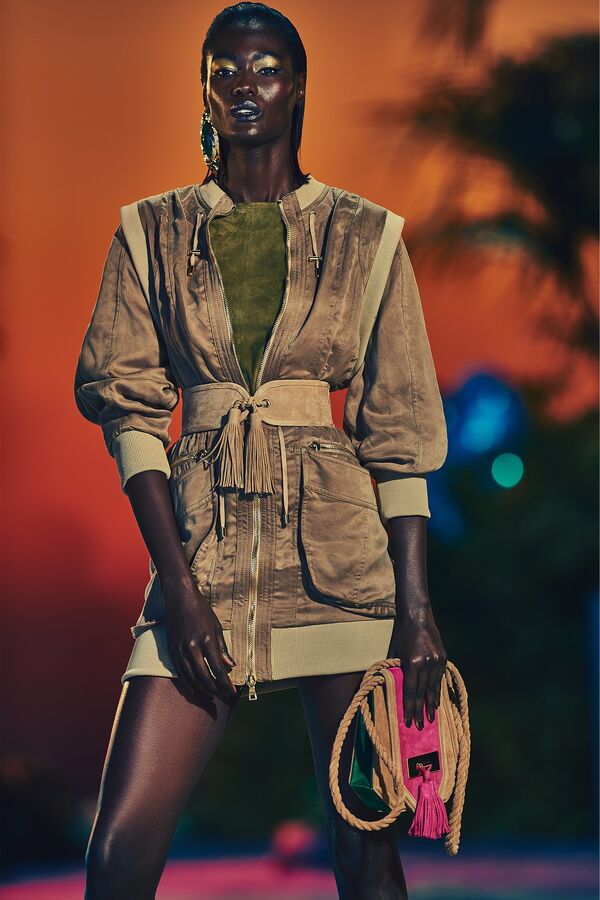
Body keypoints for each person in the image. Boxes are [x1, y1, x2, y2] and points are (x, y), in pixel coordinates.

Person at [74, 3, 449, 897]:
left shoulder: (368, 237)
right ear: (204, 90)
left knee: (368, 848)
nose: (246, 86)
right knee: (119, 852)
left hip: (341, 573)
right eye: (226, 70)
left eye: (268, 69)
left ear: (300, 87)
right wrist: (180, 592)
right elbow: (132, 419)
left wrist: (417, 614)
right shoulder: (150, 233)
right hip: (202, 565)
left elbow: (397, 439)